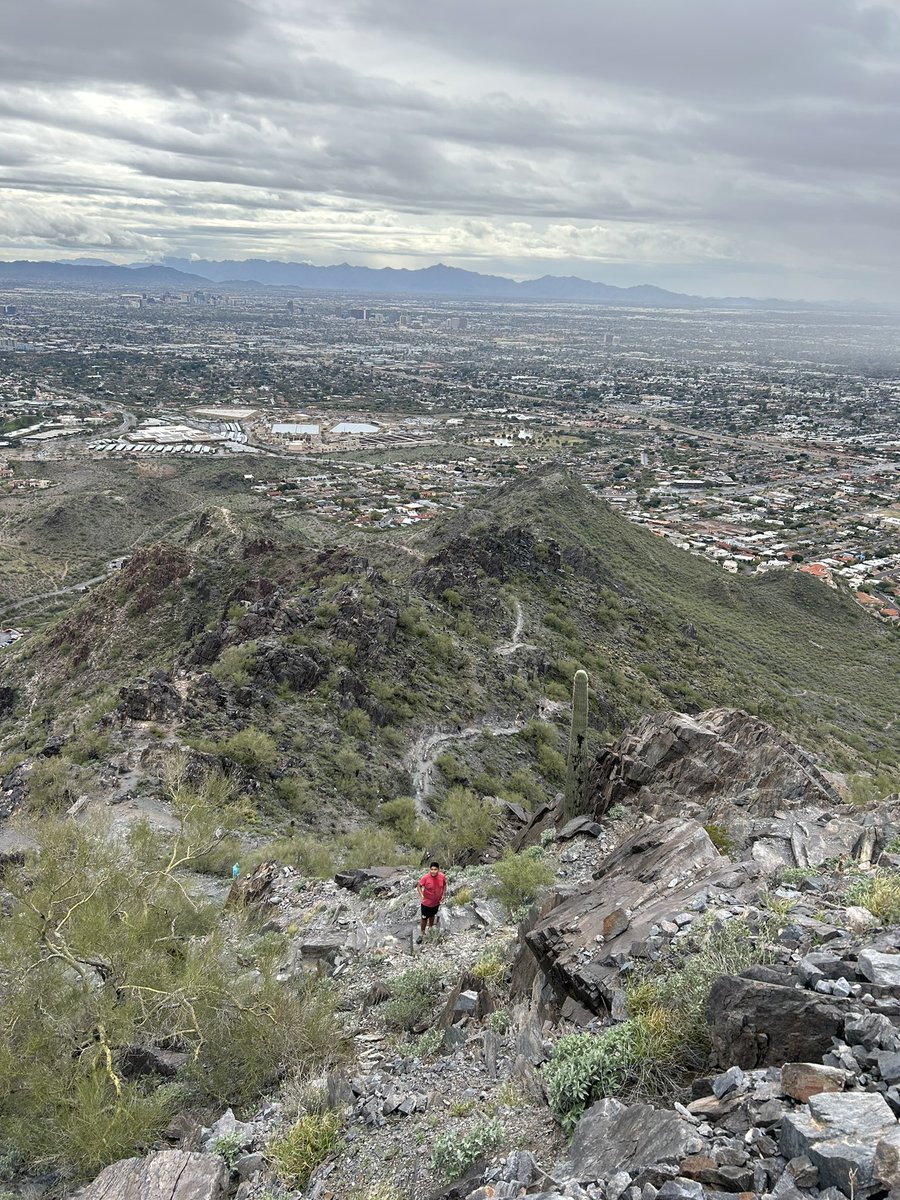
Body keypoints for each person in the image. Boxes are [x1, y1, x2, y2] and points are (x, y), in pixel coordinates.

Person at [416, 860, 446, 942]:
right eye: (431, 869)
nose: (433, 871)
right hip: (426, 903)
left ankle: (430, 928)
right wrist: (421, 895)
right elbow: (419, 886)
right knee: (424, 918)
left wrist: (443, 895)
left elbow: (444, 885)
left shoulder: (442, 877)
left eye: (435, 869)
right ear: (429, 870)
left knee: (432, 915)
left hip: (436, 902)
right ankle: (422, 934)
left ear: (438, 869)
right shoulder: (425, 877)